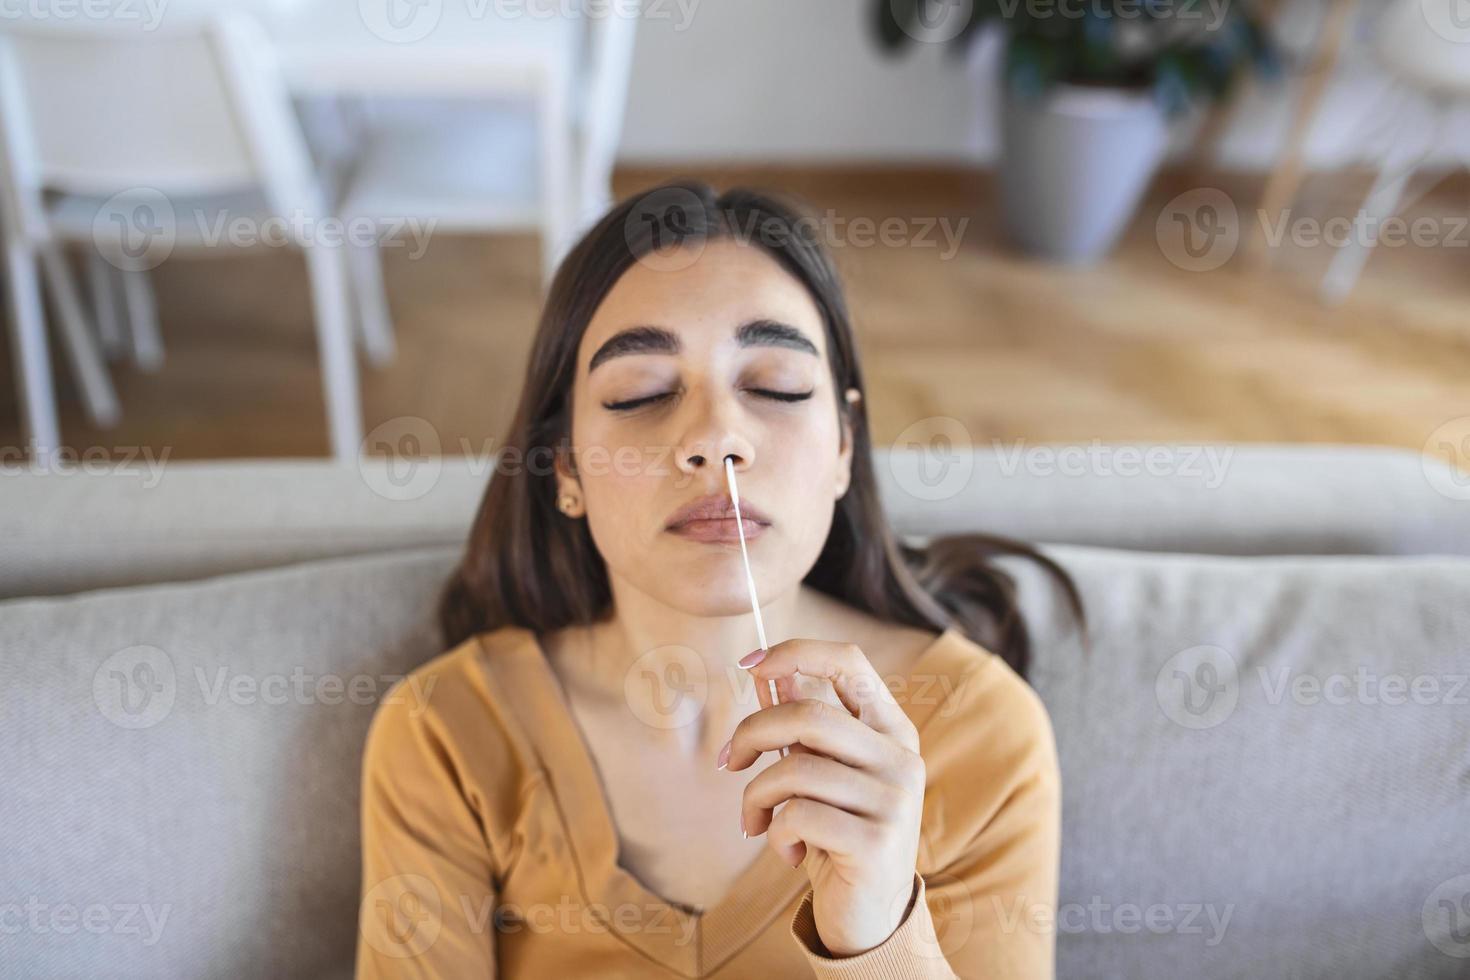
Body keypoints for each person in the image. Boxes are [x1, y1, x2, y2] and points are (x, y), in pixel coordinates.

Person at [354, 181, 1080, 978]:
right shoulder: (448, 731)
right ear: (564, 466)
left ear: (844, 444)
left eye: (775, 386)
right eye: (642, 393)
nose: (715, 438)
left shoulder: (981, 734)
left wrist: (877, 938)